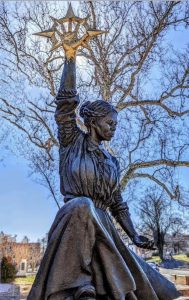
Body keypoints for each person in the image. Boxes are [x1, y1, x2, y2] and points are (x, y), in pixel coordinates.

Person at [28, 59, 180, 300]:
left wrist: (134, 235)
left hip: (104, 227)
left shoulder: (112, 162)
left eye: (116, 125)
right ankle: (80, 287)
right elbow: (65, 104)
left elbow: (118, 204)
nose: (113, 128)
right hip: (74, 219)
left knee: (165, 292)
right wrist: (70, 56)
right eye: (110, 123)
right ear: (93, 121)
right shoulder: (71, 142)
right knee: (82, 205)